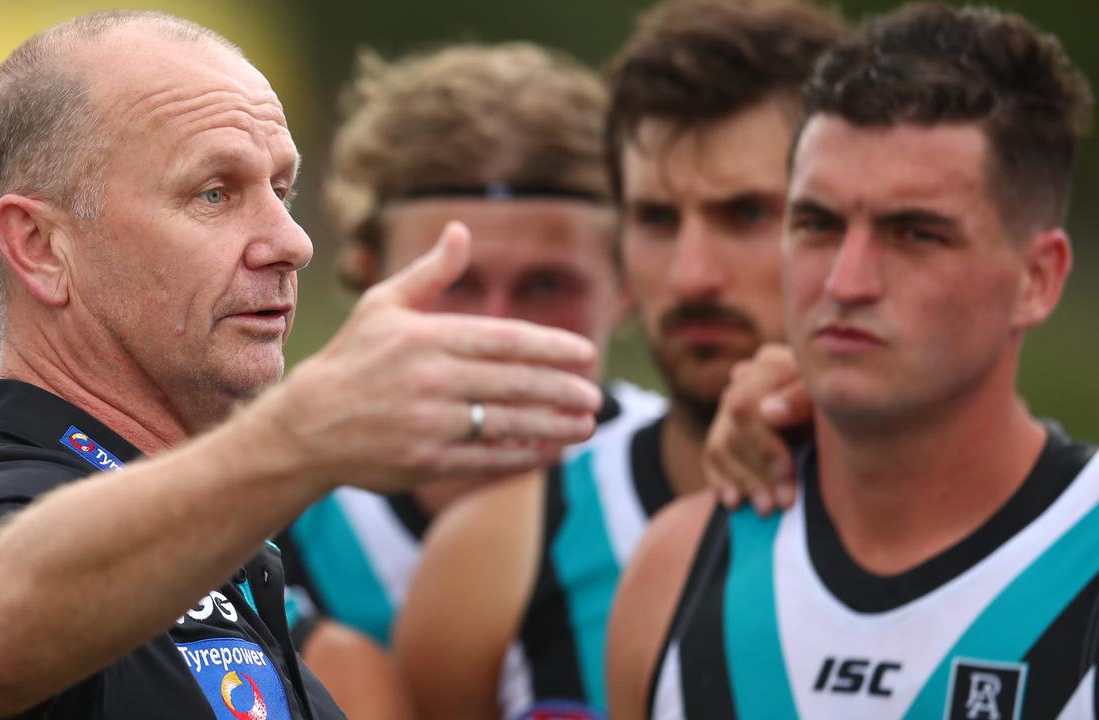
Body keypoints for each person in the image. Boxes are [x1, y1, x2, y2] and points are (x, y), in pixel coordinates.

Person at [0, 10, 603, 719]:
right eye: (213, 193)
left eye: (282, 189)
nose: (292, 241)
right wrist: (302, 437)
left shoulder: (219, 550)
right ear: (40, 247)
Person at [608, 4, 1097, 718]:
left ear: (1038, 279)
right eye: (817, 224)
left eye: (914, 233)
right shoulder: (675, 568)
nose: (845, 281)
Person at [394, 2, 845, 718]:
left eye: (748, 214)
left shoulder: (1025, 529)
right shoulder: (492, 558)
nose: (693, 274)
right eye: (657, 219)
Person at [275, 41, 657, 657]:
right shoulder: (269, 506)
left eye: (547, 285)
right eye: (452, 281)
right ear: (372, 276)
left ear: (627, 284)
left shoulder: (707, 484)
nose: (496, 327)